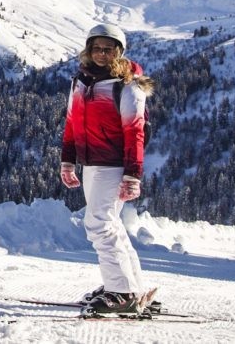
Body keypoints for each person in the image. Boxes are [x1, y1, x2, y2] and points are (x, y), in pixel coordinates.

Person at [60, 23, 155, 315]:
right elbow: (72, 123)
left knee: (98, 223)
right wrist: (68, 160)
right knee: (109, 222)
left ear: (119, 51)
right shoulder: (81, 81)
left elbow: (135, 132)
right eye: (96, 47)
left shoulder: (127, 86)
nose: (102, 53)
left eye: (108, 48)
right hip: (90, 162)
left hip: (113, 164)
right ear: (89, 49)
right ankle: (130, 285)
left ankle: (120, 291)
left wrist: (133, 174)